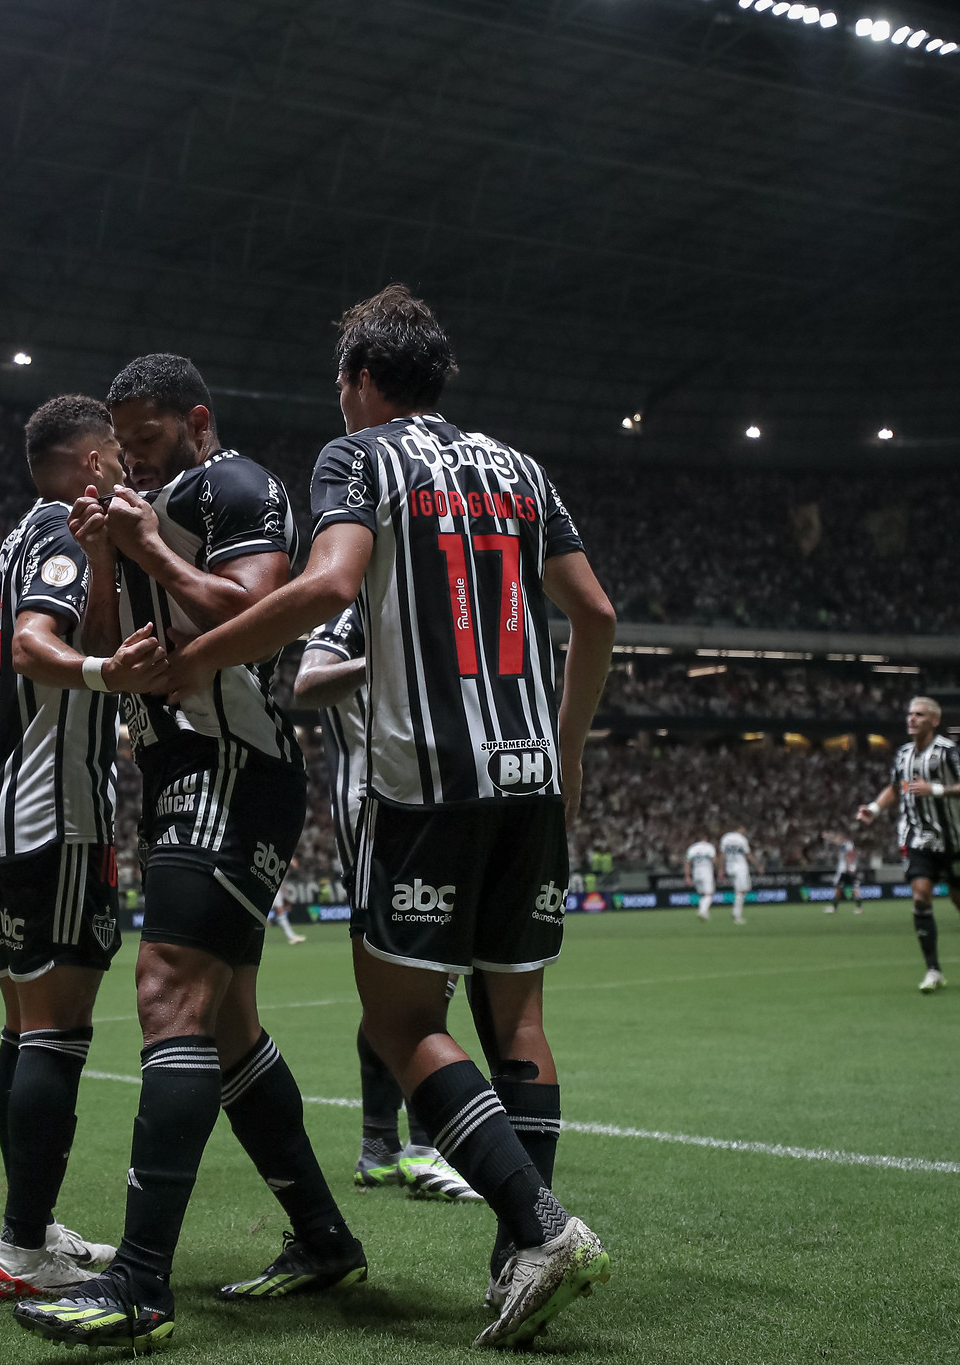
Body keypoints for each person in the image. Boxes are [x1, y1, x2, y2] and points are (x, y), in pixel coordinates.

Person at [152, 286, 614, 1348]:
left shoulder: (356, 458)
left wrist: (199, 658)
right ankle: (516, 1261)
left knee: (399, 1022)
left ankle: (540, 1231)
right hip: (528, 774)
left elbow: (326, 590)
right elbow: (593, 613)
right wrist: (568, 743)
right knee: (520, 1020)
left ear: (359, 382)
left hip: (424, 781)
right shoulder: (519, 468)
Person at [12, 357, 364, 1351]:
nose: (131, 456)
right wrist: (107, 556)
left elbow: (253, 621)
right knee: (228, 1027)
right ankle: (323, 1237)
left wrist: (150, 550)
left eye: (150, 437)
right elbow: (114, 648)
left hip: (230, 765)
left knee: (167, 997)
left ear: (196, 422)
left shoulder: (235, 484)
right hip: (177, 774)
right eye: (122, 442)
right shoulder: (146, 506)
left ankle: (138, 1282)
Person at [0, 394, 171, 1300]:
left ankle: (31, 1223)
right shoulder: (56, 527)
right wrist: (103, 671)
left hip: (5, 808)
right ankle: (20, 1248)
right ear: (91, 462)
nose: (126, 466)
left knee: (22, 1027)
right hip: (56, 812)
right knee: (57, 1028)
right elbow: (33, 646)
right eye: (116, 456)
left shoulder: (17, 539)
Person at [297, 607, 478, 1204]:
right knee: (421, 988)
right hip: (382, 817)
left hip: (428, 813)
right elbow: (309, 682)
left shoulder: (423, 605)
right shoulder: (356, 613)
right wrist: (390, 661)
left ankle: (380, 1145)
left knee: (402, 991)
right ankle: (427, 1150)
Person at [857, 696, 960, 993]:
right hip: (917, 837)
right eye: (909, 714)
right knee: (920, 897)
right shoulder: (903, 755)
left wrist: (936, 789)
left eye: (919, 714)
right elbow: (897, 788)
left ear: (934, 720)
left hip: (952, 839)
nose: (911, 719)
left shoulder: (949, 752)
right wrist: (874, 809)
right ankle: (933, 969)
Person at [719, 829, 755, 924]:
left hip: (730, 866)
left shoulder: (725, 838)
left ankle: (736, 912)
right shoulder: (742, 839)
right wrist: (758, 865)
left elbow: (722, 854)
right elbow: (748, 855)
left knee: (746, 888)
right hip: (740, 867)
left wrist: (721, 869)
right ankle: (737, 914)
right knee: (740, 891)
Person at [684, 838, 717, 920]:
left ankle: (704, 913)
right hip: (706, 871)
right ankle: (702, 911)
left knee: (702, 894)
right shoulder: (709, 847)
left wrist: (687, 876)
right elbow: (714, 860)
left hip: (696, 872)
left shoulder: (692, 848)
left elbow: (687, 862)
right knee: (709, 894)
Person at [828, 834, 862, 914]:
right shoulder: (844, 845)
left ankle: (859, 908)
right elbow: (835, 841)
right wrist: (828, 837)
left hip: (846, 870)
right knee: (839, 889)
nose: (836, 840)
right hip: (846, 870)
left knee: (854, 889)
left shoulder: (848, 844)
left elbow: (850, 855)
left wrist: (848, 867)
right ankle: (834, 908)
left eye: (838, 838)